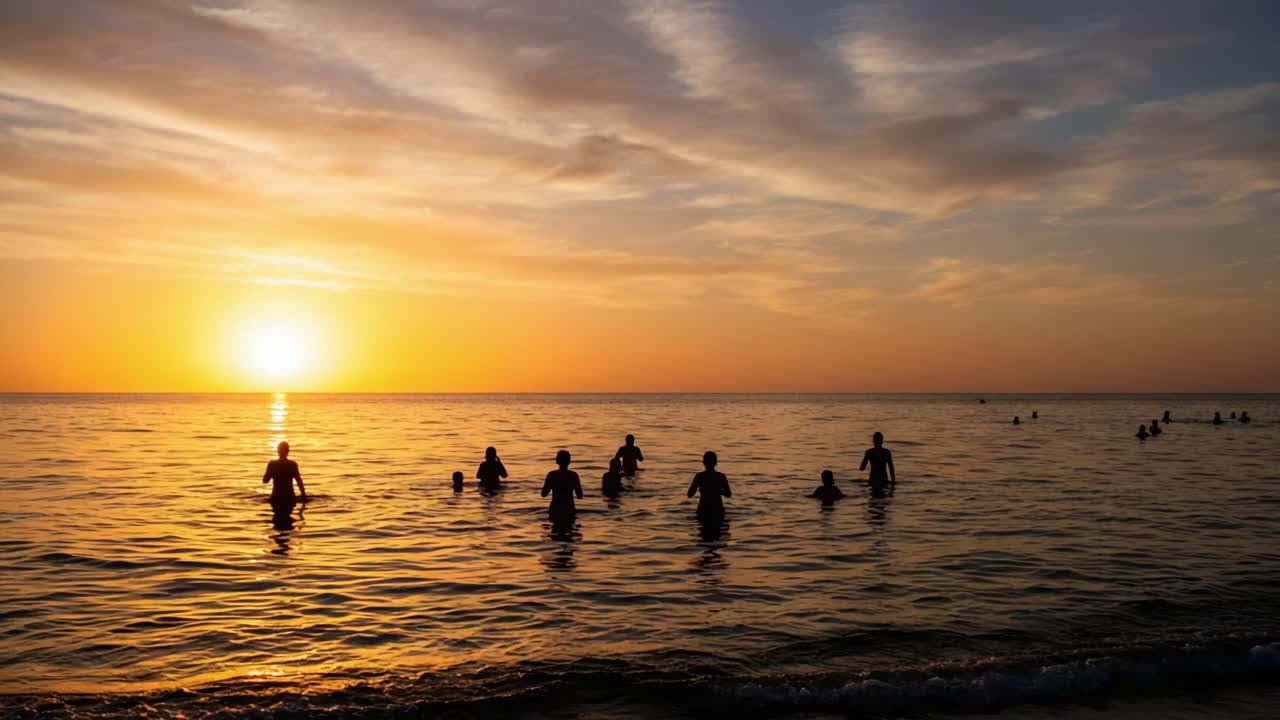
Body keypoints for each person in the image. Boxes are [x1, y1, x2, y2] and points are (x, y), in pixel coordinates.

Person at [687, 451, 732, 523]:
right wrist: (719, 492)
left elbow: (689, 494)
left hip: (703, 509)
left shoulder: (700, 476)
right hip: (717, 509)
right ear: (715, 463)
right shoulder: (721, 476)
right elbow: (728, 494)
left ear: (704, 462)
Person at [263, 441, 306, 514]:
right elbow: (299, 481)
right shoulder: (292, 465)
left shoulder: (272, 464)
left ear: (278, 451)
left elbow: (265, 480)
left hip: (276, 497)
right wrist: (303, 495)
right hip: (289, 497)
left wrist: (271, 471)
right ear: (288, 451)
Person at [541, 449, 583, 522]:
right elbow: (580, 495)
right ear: (569, 461)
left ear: (557, 461)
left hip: (555, 508)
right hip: (569, 508)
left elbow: (543, 494)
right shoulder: (573, 475)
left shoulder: (552, 475)